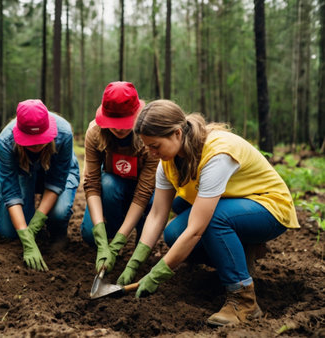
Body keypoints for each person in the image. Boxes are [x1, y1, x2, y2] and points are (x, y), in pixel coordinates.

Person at [118, 99, 300, 326]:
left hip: (268, 207)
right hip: (233, 203)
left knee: (210, 221)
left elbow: (196, 230)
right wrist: (134, 262)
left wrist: (158, 273)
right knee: (174, 233)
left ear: (176, 133)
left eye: (155, 146)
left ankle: (243, 300)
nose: (151, 152)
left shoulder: (217, 154)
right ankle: (238, 256)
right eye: (147, 146)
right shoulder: (167, 160)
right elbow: (157, 214)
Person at [0, 99, 80, 271]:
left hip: (54, 172)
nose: (36, 145)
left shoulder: (64, 133)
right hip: (22, 172)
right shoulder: (6, 141)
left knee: (59, 213)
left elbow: (56, 181)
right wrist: (26, 236)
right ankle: (28, 231)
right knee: (9, 233)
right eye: (30, 141)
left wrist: (36, 222)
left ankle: (57, 234)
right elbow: (10, 192)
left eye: (40, 140)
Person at [81, 81, 159, 274]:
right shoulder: (95, 133)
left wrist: (119, 243)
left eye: (125, 123)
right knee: (89, 235)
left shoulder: (150, 136)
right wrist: (100, 236)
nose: (119, 129)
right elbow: (91, 183)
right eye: (114, 123)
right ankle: (108, 234)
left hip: (143, 193)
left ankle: (141, 243)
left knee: (154, 199)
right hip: (113, 187)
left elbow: (143, 192)